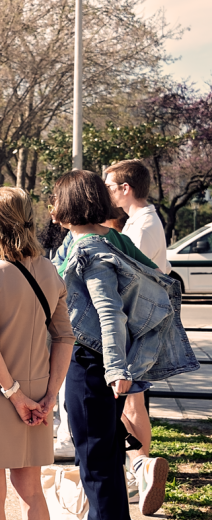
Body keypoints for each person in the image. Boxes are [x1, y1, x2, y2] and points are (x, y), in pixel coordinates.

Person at [0, 187, 75, 520]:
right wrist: (49, 396)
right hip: (37, 393)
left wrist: (14, 395)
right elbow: (65, 336)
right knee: (32, 492)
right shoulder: (49, 270)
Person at [49, 170, 161, 520]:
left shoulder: (91, 248)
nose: (52, 206)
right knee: (106, 458)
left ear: (70, 203)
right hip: (102, 363)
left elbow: (110, 312)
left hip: (92, 365)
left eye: (56, 199)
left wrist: (116, 368)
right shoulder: (105, 238)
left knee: (96, 465)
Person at [104, 159, 171, 515]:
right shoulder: (143, 221)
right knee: (134, 402)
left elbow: (126, 276)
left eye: (111, 186)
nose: (108, 191)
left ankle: (141, 467)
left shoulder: (141, 226)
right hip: (140, 323)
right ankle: (141, 467)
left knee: (130, 402)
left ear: (125, 189)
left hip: (134, 324)